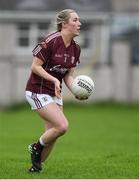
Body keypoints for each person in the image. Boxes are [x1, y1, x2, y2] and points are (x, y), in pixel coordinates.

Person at [25, 9, 86, 173]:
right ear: (64, 24)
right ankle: (35, 147)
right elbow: (35, 67)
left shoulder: (76, 49)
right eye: (75, 20)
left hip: (54, 93)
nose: (79, 23)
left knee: (52, 135)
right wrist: (52, 79)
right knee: (62, 126)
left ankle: (36, 168)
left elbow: (68, 76)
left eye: (79, 20)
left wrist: (76, 90)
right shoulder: (50, 41)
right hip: (37, 90)